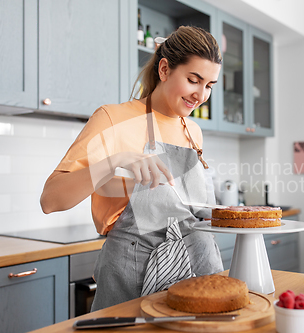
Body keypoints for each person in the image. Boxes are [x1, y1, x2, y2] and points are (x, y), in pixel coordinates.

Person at [40, 26, 224, 310]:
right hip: (134, 272)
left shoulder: (192, 131)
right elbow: (51, 199)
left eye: (209, 85)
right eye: (193, 80)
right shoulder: (113, 119)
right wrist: (115, 161)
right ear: (164, 69)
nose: (201, 95)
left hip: (196, 267)